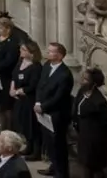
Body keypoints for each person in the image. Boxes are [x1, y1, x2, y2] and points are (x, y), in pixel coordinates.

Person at [35, 42, 74, 178]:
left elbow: (59, 97)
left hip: (57, 114)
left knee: (58, 145)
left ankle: (61, 173)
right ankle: (53, 166)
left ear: (60, 56)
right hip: (43, 111)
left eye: (51, 51)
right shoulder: (46, 66)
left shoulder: (65, 74)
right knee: (49, 143)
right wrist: (38, 103)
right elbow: (40, 85)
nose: (48, 52)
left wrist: (43, 107)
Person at [71, 68, 107, 178]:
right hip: (83, 133)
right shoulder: (82, 92)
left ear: (93, 83)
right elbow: (76, 108)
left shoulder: (99, 101)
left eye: (85, 79)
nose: (82, 81)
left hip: (94, 137)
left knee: (91, 164)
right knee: (84, 163)